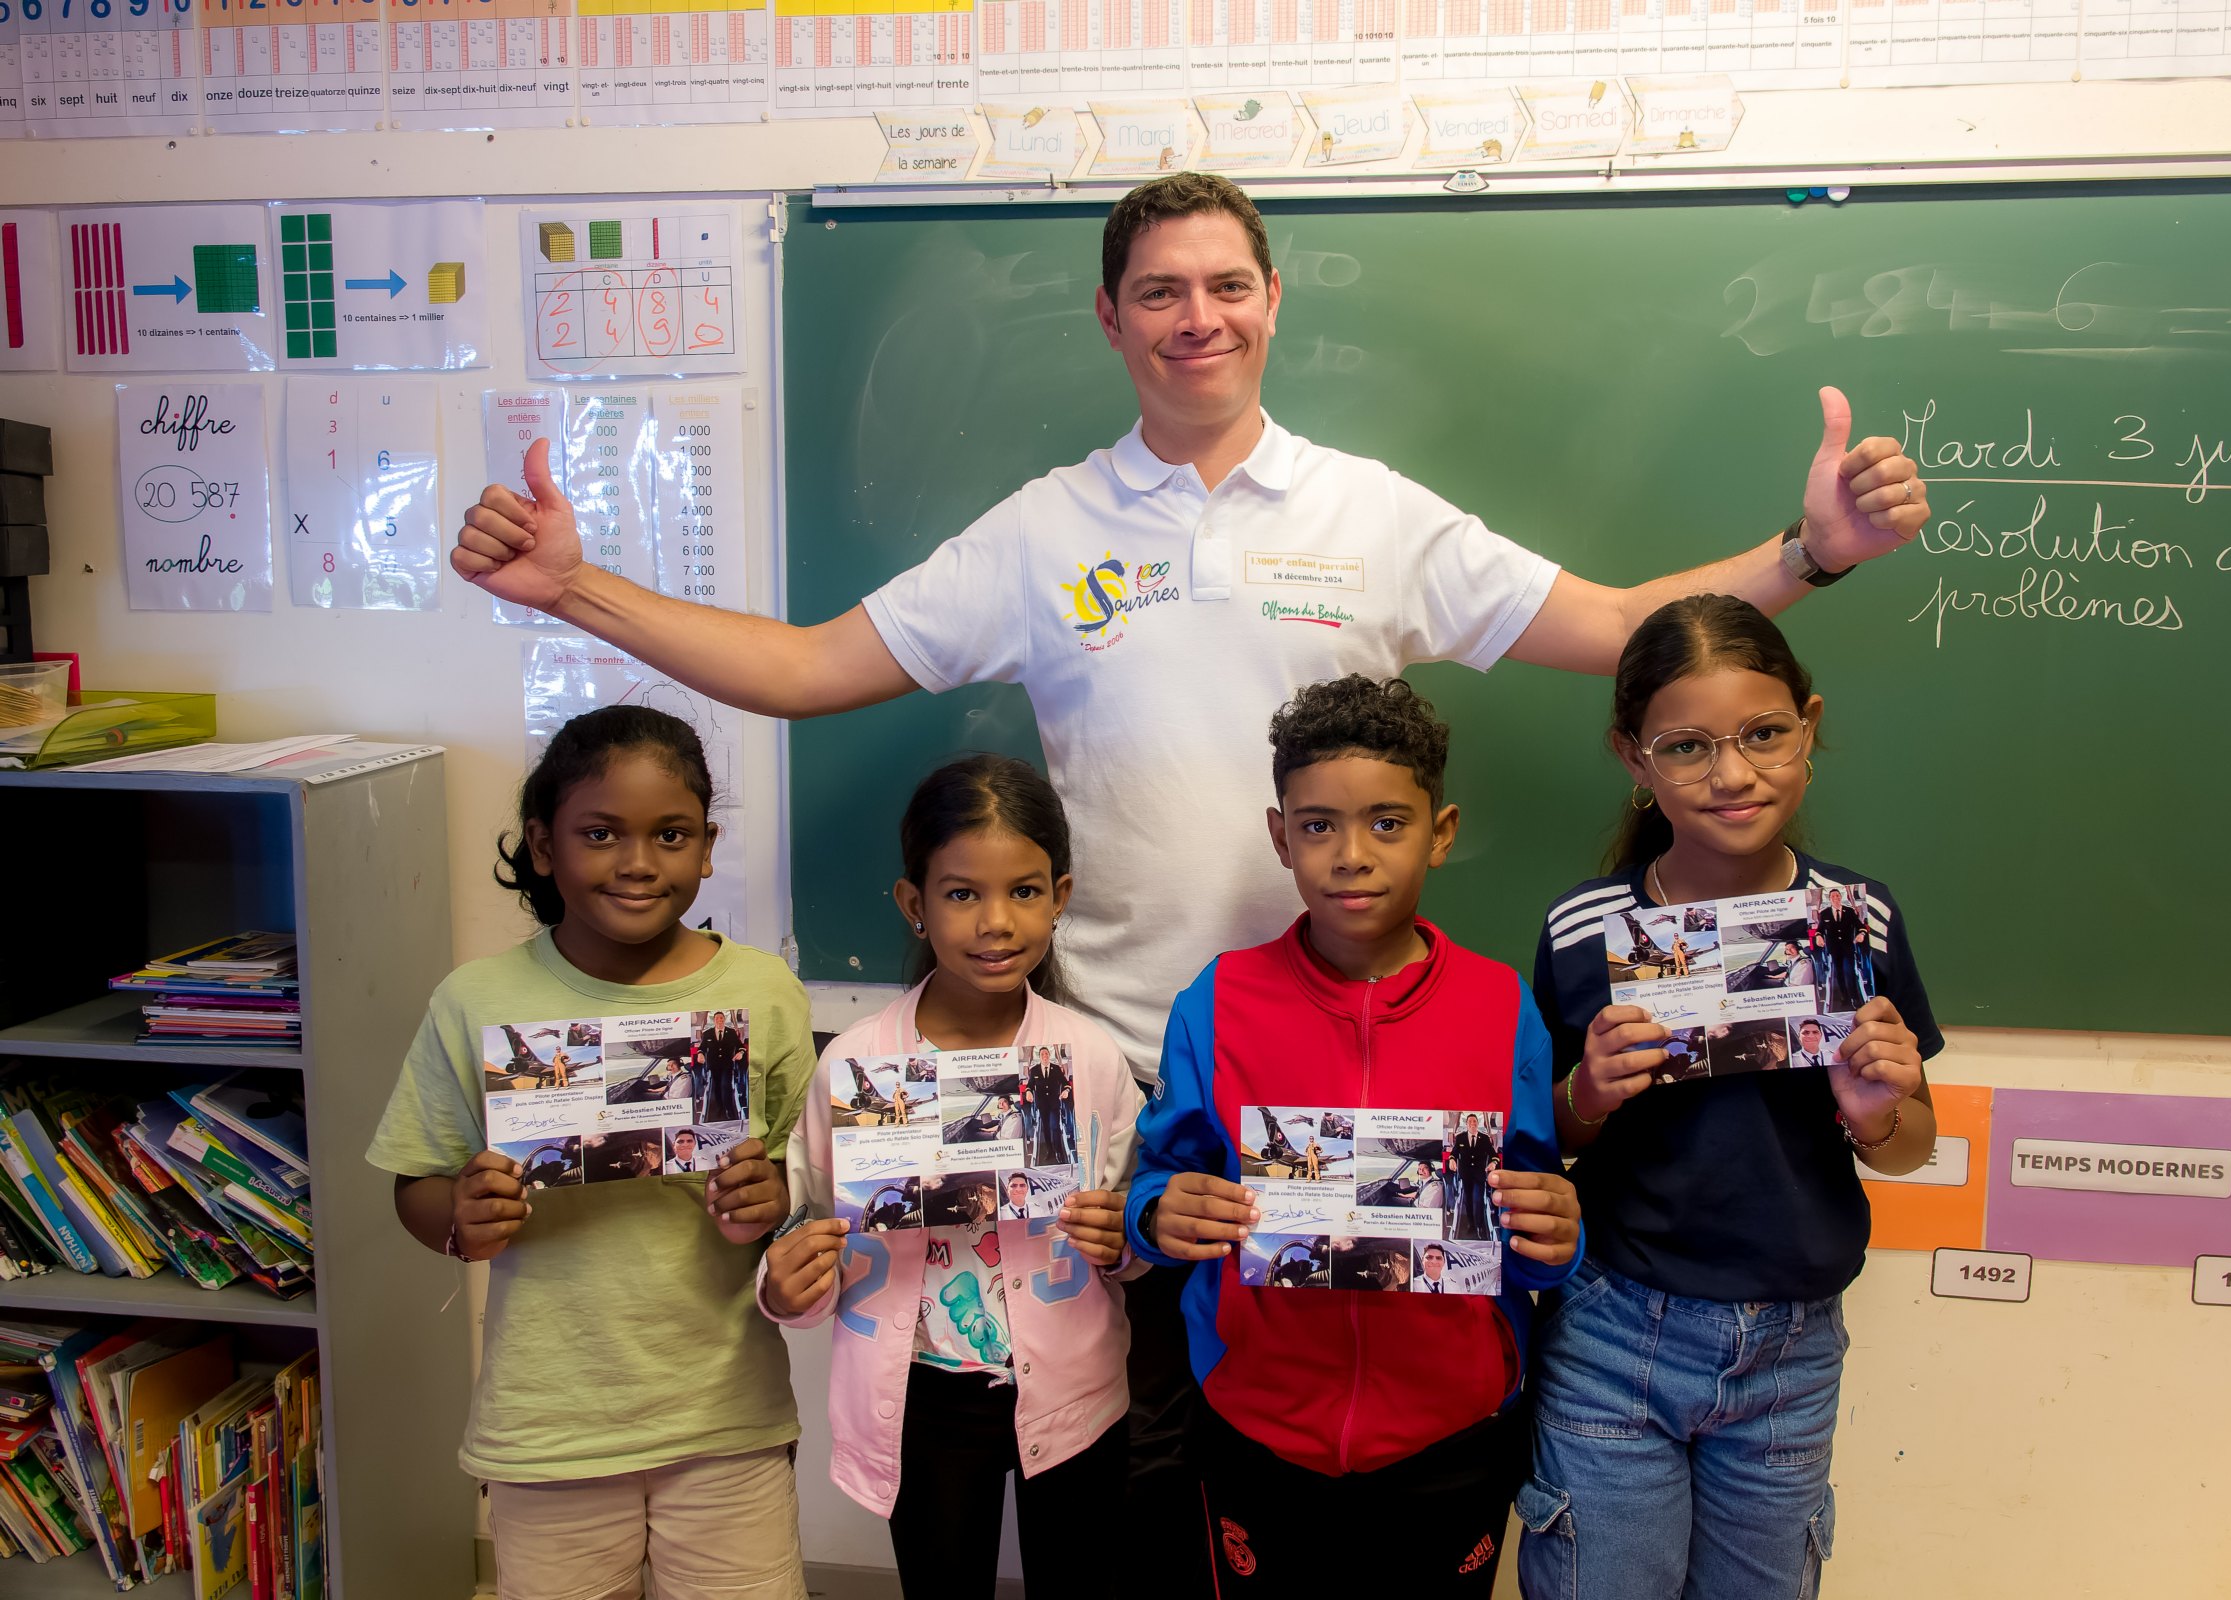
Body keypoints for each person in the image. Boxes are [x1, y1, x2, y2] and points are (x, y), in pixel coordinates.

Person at [453, 172, 1930, 1592]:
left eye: (1227, 284)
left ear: (1273, 300)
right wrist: (573, 589)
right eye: (1159, 290)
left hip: (1358, 1088)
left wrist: (1814, 553)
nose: (1196, 315)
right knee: (1143, 1493)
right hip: (1117, 1098)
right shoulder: (1043, 532)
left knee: (1351, 1465)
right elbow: (802, 666)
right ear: (1109, 318)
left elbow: (1618, 625)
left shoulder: (1369, 514)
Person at [1524, 595, 1943, 1600]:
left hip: (1792, 1345)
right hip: (1617, 1321)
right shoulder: (1585, 928)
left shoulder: (1858, 920)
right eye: (1687, 747)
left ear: (1809, 724)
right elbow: (1545, 1135)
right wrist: (1589, 1088)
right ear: (1635, 758)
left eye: (1764, 733)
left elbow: (1910, 1144)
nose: (1734, 772)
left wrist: (1874, 1102)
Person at [1131, 675, 1583, 1595]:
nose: (1350, 855)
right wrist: (1156, 1215)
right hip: (1258, 1426)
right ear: (1279, 835)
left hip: (1451, 1433)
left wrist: (1554, 1240)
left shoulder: (1502, 1007)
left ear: (1441, 831)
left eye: (1387, 823)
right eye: (1317, 826)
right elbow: (1164, 1176)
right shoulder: (1217, 1001)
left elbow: (1528, 1207)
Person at [366, 706, 812, 1600]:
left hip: (726, 1416)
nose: (639, 862)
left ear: (708, 846)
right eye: (600, 834)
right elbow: (416, 1181)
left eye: (671, 834)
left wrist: (780, 1201)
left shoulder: (765, 992)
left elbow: (809, 1185)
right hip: (550, 1422)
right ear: (542, 845)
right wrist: (460, 1219)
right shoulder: (475, 999)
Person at [757, 755, 1148, 1600]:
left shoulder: (1091, 1059)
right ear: (914, 904)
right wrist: (790, 1284)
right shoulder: (858, 1068)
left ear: (1062, 895)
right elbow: (811, 1224)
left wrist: (1124, 1244)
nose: (997, 921)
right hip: (921, 1396)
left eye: (1026, 891)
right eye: (963, 893)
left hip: (1075, 1388)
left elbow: (1132, 1232)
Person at [1449, 1112, 1498, 1242]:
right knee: (1468, 1200)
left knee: (1478, 1200)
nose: (1472, 1123)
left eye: (1474, 1121)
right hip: (1466, 1175)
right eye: (1470, 1121)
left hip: (1479, 1175)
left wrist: (1493, 1163)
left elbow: (1494, 1155)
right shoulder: (1460, 1138)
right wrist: (1452, 1160)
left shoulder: (1485, 1138)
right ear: (1466, 1124)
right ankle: (1471, 1224)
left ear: (1478, 1123)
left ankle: (1480, 1226)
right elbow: (1454, 1153)